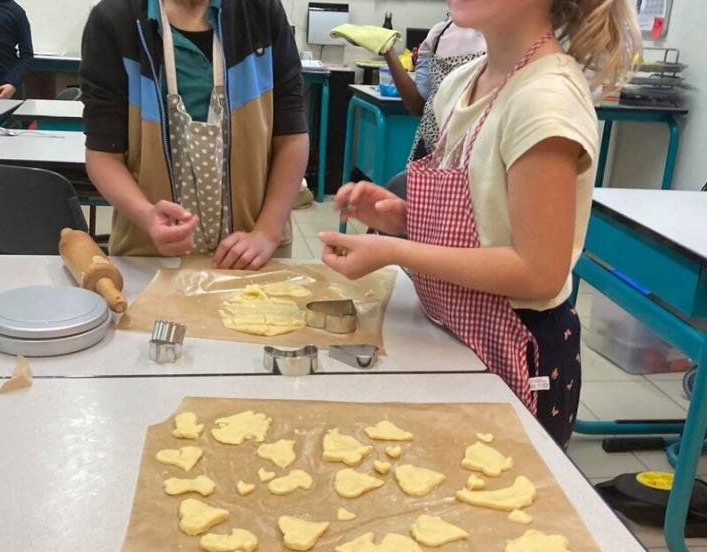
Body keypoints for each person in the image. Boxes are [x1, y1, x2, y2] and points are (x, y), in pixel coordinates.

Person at [319, 0, 640, 449]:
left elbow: (538, 272)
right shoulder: (460, 83)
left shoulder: (545, 99)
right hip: (451, 336)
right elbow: (481, 225)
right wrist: (399, 218)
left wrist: (393, 251)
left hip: (516, 349)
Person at [80, 0, 309, 266]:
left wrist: (267, 231)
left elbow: (291, 138)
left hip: (252, 257)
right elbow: (103, 156)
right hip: (151, 256)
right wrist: (147, 216)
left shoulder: (261, 11)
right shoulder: (114, 21)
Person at [384, 15, 486, 161]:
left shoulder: (503, 38)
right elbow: (418, 105)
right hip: (430, 149)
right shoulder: (438, 34)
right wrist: (388, 51)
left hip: (474, 151)